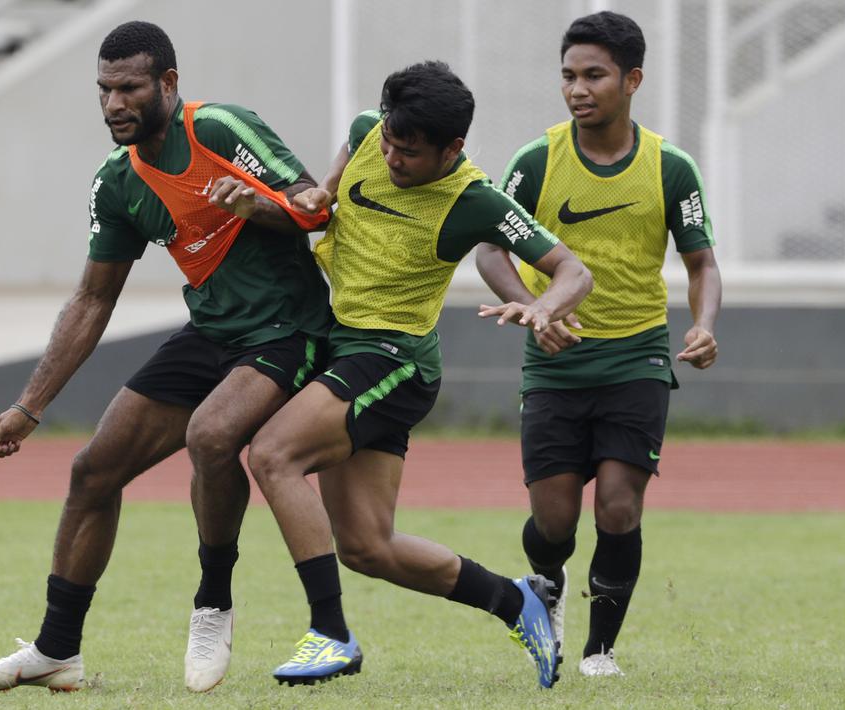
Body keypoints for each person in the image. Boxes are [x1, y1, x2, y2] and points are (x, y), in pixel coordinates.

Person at [0, 20, 332, 694]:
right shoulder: (117, 182)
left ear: (167, 83)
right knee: (92, 471)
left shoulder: (219, 129)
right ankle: (56, 651)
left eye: (128, 88)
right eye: (104, 90)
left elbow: (313, 207)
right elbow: (92, 299)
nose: (113, 104)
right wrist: (29, 405)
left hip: (288, 329)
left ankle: (213, 602)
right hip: (210, 332)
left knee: (211, 435)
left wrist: (259, 203)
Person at [247, 61, 593, 690]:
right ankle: (517, 601)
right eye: (388, 141)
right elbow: (334, 187)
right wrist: (318, 195)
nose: (391, 157)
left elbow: (574, 270)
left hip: (393, 360)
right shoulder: (367, 132)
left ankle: (330, 633)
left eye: (407, 151)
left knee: (273, 454)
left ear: (451, 148)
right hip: (341, 346)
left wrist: (543, 307)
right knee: (366, 547)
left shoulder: (476, 199)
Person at [475, 11, 722, 678]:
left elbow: (701, 263)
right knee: (553, 520)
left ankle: (599, 651)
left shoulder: (669, 167)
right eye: (568, 76)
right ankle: (546, 589)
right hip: (554, 361)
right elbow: (490, 248)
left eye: (593, 75)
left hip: (637, 356)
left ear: (631, 80)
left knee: (618, 504)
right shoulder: (535, 161)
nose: (577, 89)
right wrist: (535, 310)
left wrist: (703, 324)